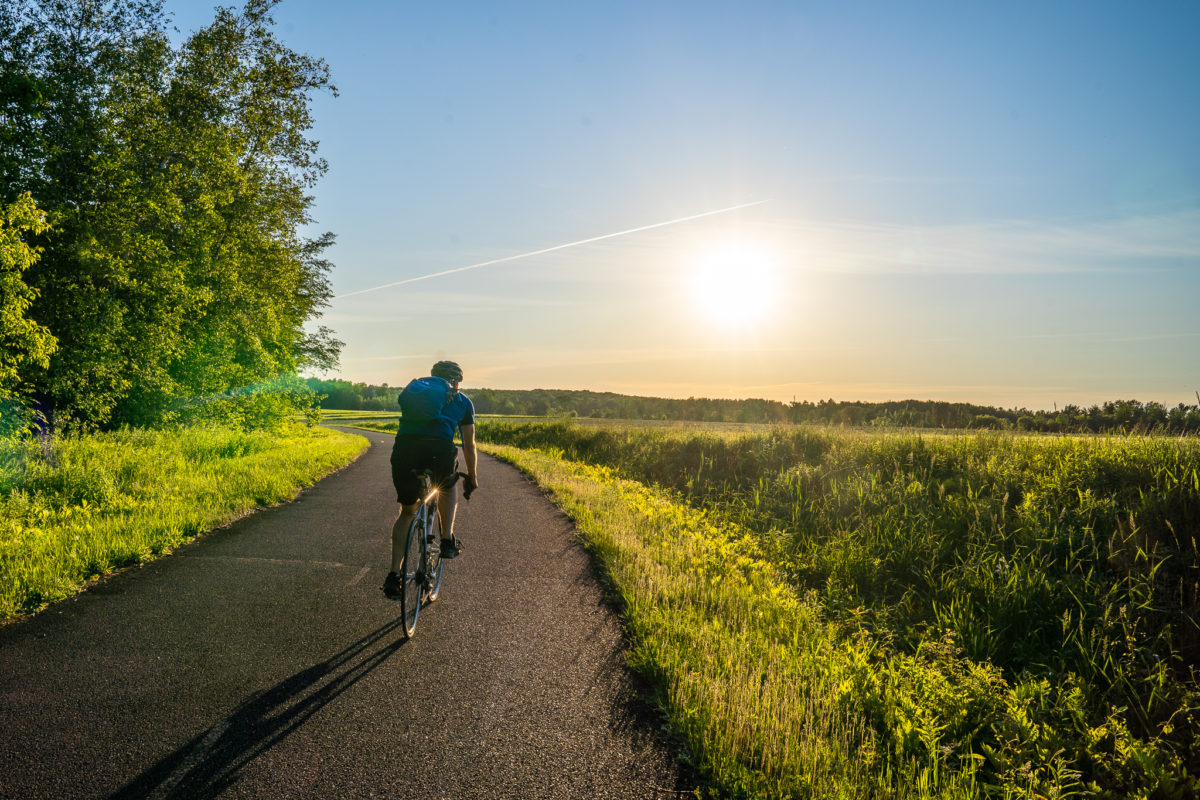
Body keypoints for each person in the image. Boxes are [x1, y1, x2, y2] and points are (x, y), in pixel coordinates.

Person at [383, 360, 479, 598]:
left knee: (407, 512)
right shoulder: (462, 401)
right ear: (456, 381)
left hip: (404, 450)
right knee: (448, 484)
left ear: (433, 377)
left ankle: (394, 575)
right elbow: (469, 445)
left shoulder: (417, 393)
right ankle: (447, 541)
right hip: (439, 453)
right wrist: (472, 477)